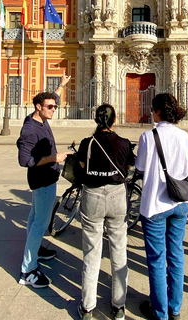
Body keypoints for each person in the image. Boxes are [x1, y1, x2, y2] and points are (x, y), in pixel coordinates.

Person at [136, 93, 188, 320]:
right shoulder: (185, 137)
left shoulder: (147, 137)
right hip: (179, 204)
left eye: (152, 109)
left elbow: (140, 167)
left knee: (157, 259)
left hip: (154, 206)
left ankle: (160, 312)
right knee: (177, 255)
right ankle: (175, 308)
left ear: (158, 111)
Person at [76, 104, 134, 320]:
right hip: (117, 196)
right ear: (115, 120)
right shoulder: (124, 143)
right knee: (119, 249)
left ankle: (88, 306)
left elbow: (82, 165)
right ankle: (118, 306)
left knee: (92, 252)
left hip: (93, 196)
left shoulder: (87, 143)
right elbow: (128, 167)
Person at [16, 72, 71, 288]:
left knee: (34, 217)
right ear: (39, 106)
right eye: (50, 106)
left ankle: (36, 249)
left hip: (46, 178)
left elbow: (52, 97)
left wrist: (61, 86)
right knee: (40, 222)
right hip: (42, 179)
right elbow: (24, 160)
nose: (54, 109)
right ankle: (27, 270)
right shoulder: (30, 129)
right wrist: (53, 158)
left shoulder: (39, 117)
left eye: (54, 106)